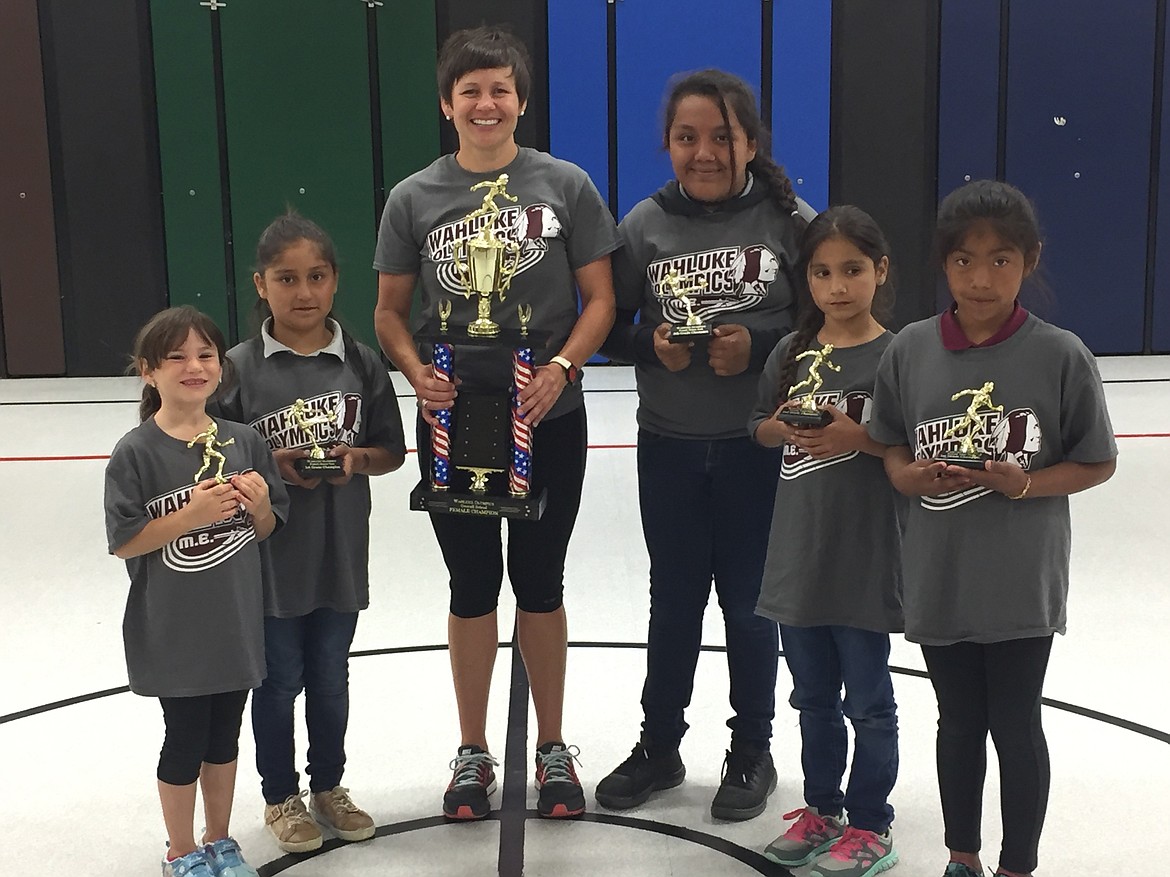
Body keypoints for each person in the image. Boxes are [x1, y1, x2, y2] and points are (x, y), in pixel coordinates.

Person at [372, 25, 618, 820]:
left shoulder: (567, 185)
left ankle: (552, 745)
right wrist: (415, 373)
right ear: (448, 104)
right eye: (470, 90)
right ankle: (473, 749)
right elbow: (387, 313)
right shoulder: (413, 197)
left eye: (500, 89)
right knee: (472, 583)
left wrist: (561, 369)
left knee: (540, 583)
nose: (486, 103)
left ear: (521, 100)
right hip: (454, 423)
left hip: (548, 414)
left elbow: (602, 301)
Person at [867, 180, 1117, 877]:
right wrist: (903, 474)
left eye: (1001, 259)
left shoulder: (1060, 353)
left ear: (1029, 261)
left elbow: (1097, 461)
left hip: (1019, 580)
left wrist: (1029, 482)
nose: (982, 278)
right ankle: (962, 855)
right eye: (965, 260)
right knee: (957, 722)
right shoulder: (911, 350)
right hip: (938, 572)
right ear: (942, 265)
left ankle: (1018, 864)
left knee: (1014, 721)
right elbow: (887, 442)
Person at [596, 68, 804, 821]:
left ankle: (752, 747)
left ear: (751, 142)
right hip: (671, 446)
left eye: (722, 137)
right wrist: (649, 345)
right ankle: (660, 745)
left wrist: (761, 346)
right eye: (688, 138)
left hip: (757, 446)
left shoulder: (790, 221)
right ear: (668, 145)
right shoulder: (642, 225)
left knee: (751, 606)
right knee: (674, 601)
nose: (705, 152)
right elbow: (608, 325)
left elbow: (833, 325)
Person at [212, 214, 407, 852]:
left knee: (330, 674)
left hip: (340, 554)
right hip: (268, 560)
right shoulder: (236, 370)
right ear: (260, 285)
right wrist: (272, 470)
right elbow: (211, 464)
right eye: (286, 278)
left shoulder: (361, 362)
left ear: (335, 282)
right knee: (276, 680)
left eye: (316, 277)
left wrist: (355, 462)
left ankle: (329, 786)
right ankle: (280, 796)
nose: (303, 291)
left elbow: (391, 451)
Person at [104, 306, 289, 877]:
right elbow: (125, 542)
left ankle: (219, 839)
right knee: (184, 737)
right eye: (177, 356)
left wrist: (259, 506)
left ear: (220, 367)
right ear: (148, 371)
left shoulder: (244, 441)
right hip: (173, 628)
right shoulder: (135, 451)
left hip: (234, 624)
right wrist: (192, 513)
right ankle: (180, 850)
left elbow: (269, 526)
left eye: (205, 354)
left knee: (225, 738)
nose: (194, 366)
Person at [749, 206, 903, 876]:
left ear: (880, 271)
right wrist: (780, 428)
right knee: (811, 696)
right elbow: (756, 424)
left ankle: (871, 821)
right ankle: (823, 810)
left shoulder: (898, 355)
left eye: (851, 270)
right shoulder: (791, 352)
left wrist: (858, 438)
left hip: (865, 558)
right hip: (798, 558)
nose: (836, 286)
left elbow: (910, 444)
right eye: (821, 272)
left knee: (868, 700)